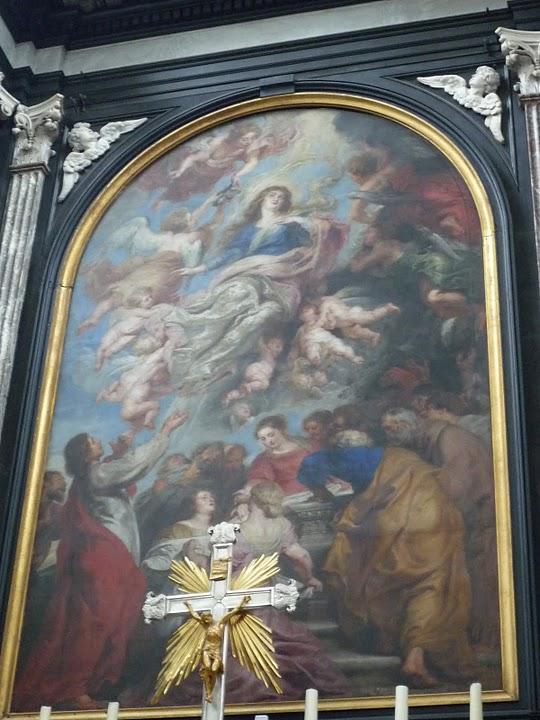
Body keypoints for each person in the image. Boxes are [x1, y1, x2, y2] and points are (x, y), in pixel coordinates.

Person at [14, 411, 188, 711]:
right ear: (85, 453)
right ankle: (75, 688)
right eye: (93, 441)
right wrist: (165, 431)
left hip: (105, 559)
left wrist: (121, 451)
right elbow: (133, 467)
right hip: (104, 561)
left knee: (106, 618)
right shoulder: (96, 474)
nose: (99, 442)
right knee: (95, 623)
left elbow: (120, 473)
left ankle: (88, 685)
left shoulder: (93, 477)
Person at [298, 434, 475, 687]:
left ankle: (400, 647)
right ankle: (415, 657)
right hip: (436, 521)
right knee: (434, 584)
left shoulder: (344, 468)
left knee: (380, 579)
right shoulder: (394, 458)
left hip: (400, 522)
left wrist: (334, 506)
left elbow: (357, 506)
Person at [239, 482, 322, 591]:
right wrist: (309, 579)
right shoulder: (283, 525)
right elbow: (302, 556)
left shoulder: (235, 529)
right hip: (269, 587)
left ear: (253, 499)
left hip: (240, 589)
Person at [242, 415, 311, 500]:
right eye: (263, 439)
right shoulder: (263, 459)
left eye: (271, 435)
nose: (269, 441)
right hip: (290, 497)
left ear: (281, 430)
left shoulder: (305, 444)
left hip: (319, 488)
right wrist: (249, 490)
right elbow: (257, 479)